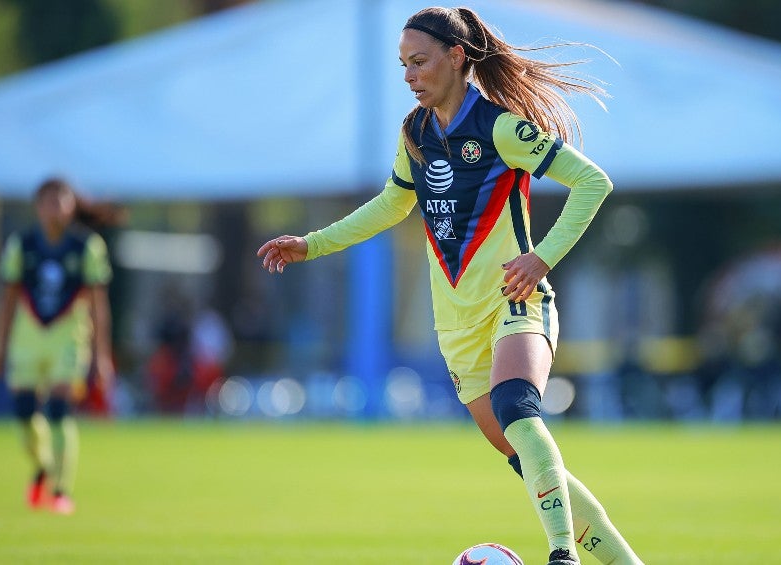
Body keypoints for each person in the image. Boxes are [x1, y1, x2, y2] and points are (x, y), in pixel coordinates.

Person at [257, 7, 644, 564]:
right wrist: (312, 244)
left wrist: (541, 259)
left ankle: (563, 554)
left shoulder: (501, 128)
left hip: (516, 302)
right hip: (456, 325)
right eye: (403, 66)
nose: (410, 76)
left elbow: (592, 181)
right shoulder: (415, 133)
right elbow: (393, 203)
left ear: (456, 57)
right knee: (528, 461)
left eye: (419, 62)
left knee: (518, 405)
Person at [0, 177, 122, 515]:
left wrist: (102, 356)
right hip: (27, 344)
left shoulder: (86, 247)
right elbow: (7, 298)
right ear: (38, 206)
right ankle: (43, 464)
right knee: (23, 415)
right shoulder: (22, 244)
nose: (55, 207)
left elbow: (97, 305)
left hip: (69, 342)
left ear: (72, 204)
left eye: (61, 199)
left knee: (60, 412)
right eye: (48, 200)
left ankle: (62, 491)